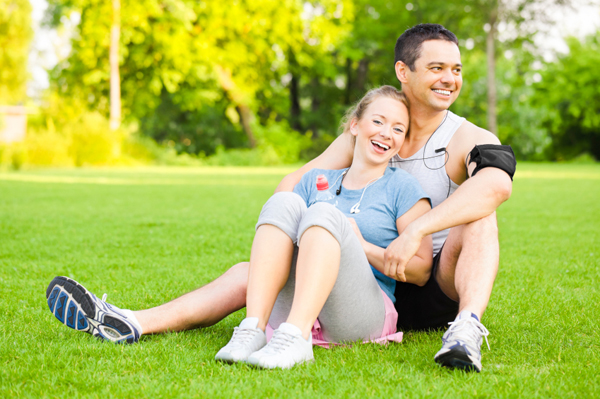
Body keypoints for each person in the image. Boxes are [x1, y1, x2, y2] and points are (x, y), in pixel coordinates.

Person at [46, 23, 515, 373]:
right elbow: (292, 187)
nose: (449, 79)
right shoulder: (367, 132)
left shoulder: (464, 136)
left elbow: (497, 184)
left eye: (455, 70)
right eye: (436, 68)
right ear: (403, 71)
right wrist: (294, 248)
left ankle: (467, 328)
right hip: (353, 279)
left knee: (481, 212)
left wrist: (416, 230)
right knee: (253, 270)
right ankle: (131, 321)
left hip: (429, 283)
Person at [213, 86, 431, 369]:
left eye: (398, 129)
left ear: (402, 140)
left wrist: (361, 245)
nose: (386, 133)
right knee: (284, 202)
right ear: (355, 125)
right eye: (378, 121)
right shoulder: (314, 179)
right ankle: (253, 329)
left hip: (360, 313)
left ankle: (297, 337)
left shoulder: (403, 187)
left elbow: (422, 271)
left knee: (324, 213)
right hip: (296, 300)